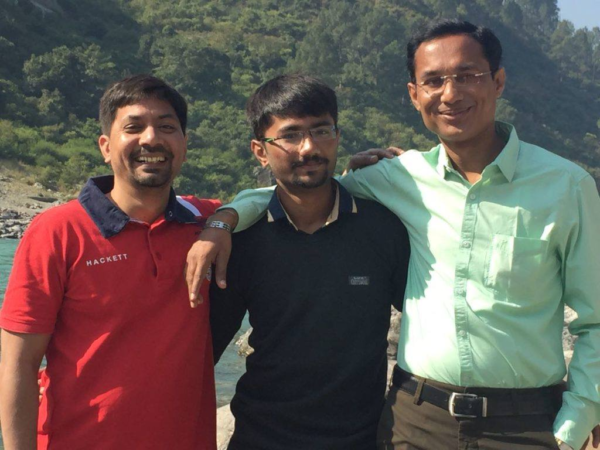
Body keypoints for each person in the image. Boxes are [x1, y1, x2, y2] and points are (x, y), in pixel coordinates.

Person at [186, 20, 600, 450]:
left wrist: (577, 420)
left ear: (497, 82)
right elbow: (298, 191)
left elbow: (596, 319)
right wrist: (223, 220)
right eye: (434, 81)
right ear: (414, 94)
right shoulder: (398, 179)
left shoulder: (565, 186)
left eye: (467, 76)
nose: (450, 93)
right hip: (414, 424)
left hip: (526, 423)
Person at [0, 74, 220, 450]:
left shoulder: (203, 220)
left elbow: (273, 195)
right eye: (133, 127)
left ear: (184, 145)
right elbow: (18, 363)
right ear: (105, 146)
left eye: (167, 127)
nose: (151, 139)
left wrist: (222, 224)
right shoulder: (57, 232)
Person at [209, 74, 410, 449]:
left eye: (321, 131)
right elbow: (206, 349)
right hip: (262, 438)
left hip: (360, 440)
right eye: (290, 135)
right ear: (260, 150)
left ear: (337, 136)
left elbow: (424, 326)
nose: (309, 148)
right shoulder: (244, 241)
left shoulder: (382, 229)